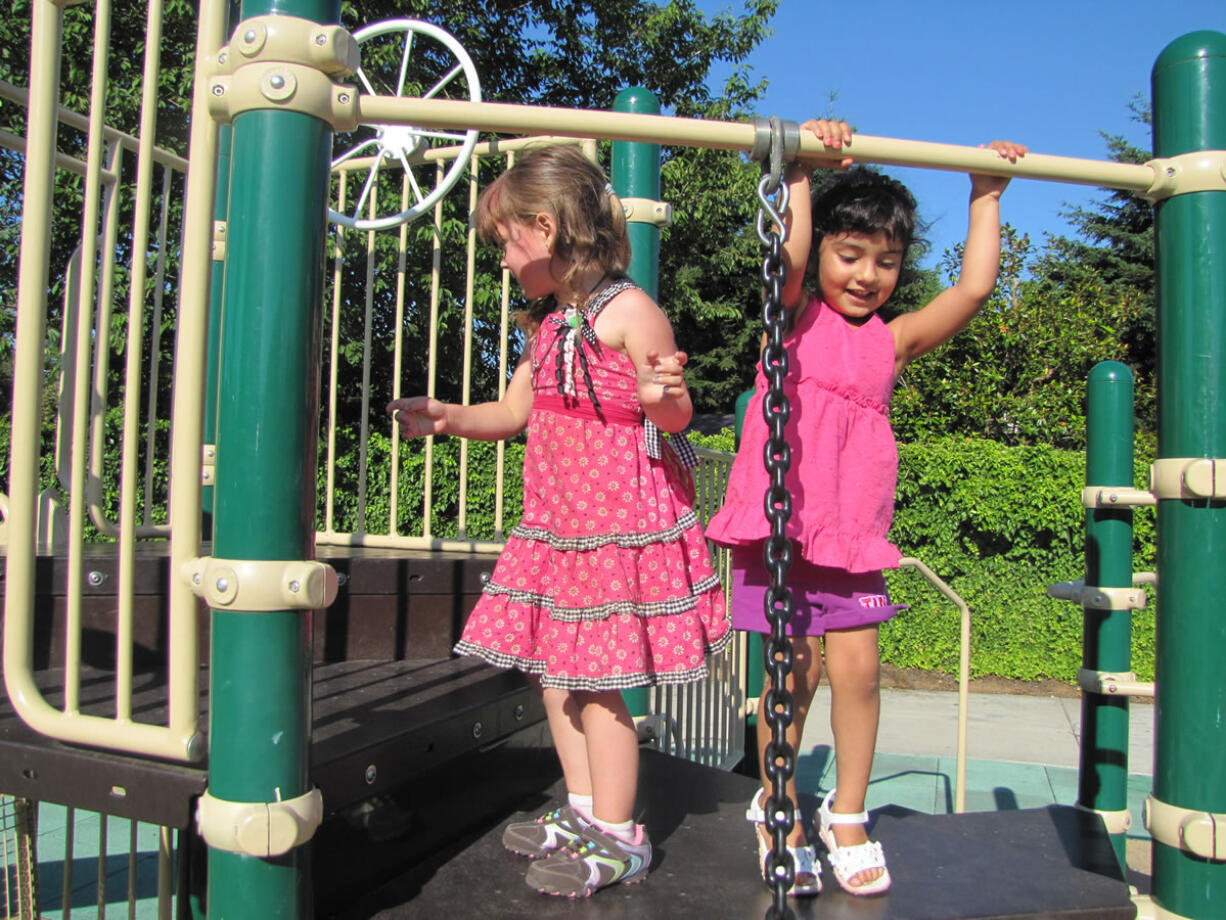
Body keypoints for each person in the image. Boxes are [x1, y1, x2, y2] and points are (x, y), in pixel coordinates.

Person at [387, 144, 730, 899]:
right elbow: (515, 412)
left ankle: (621, 834)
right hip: (561, 525)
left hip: (617, 526)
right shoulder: (549, 325)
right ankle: (582, 812)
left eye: (507, 242)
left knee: (600, 685)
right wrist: (447, 417)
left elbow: (672, 414)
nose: (504, 260)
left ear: (545, 228)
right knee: (556, 678)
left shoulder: (630, 311)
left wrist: (661, 387)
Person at [705, 121, 1026, 897]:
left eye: (885, 262)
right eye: (849, 255)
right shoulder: (791, 318)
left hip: (851, 536)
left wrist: (986, 194)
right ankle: (779, 797)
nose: (866, 274)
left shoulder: (893, 342)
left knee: (860, 672)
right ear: (821, 257)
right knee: (794, 671)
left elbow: (973, 290)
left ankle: (847, 813)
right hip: (783, 524)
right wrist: (806, 171)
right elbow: (785, 252)